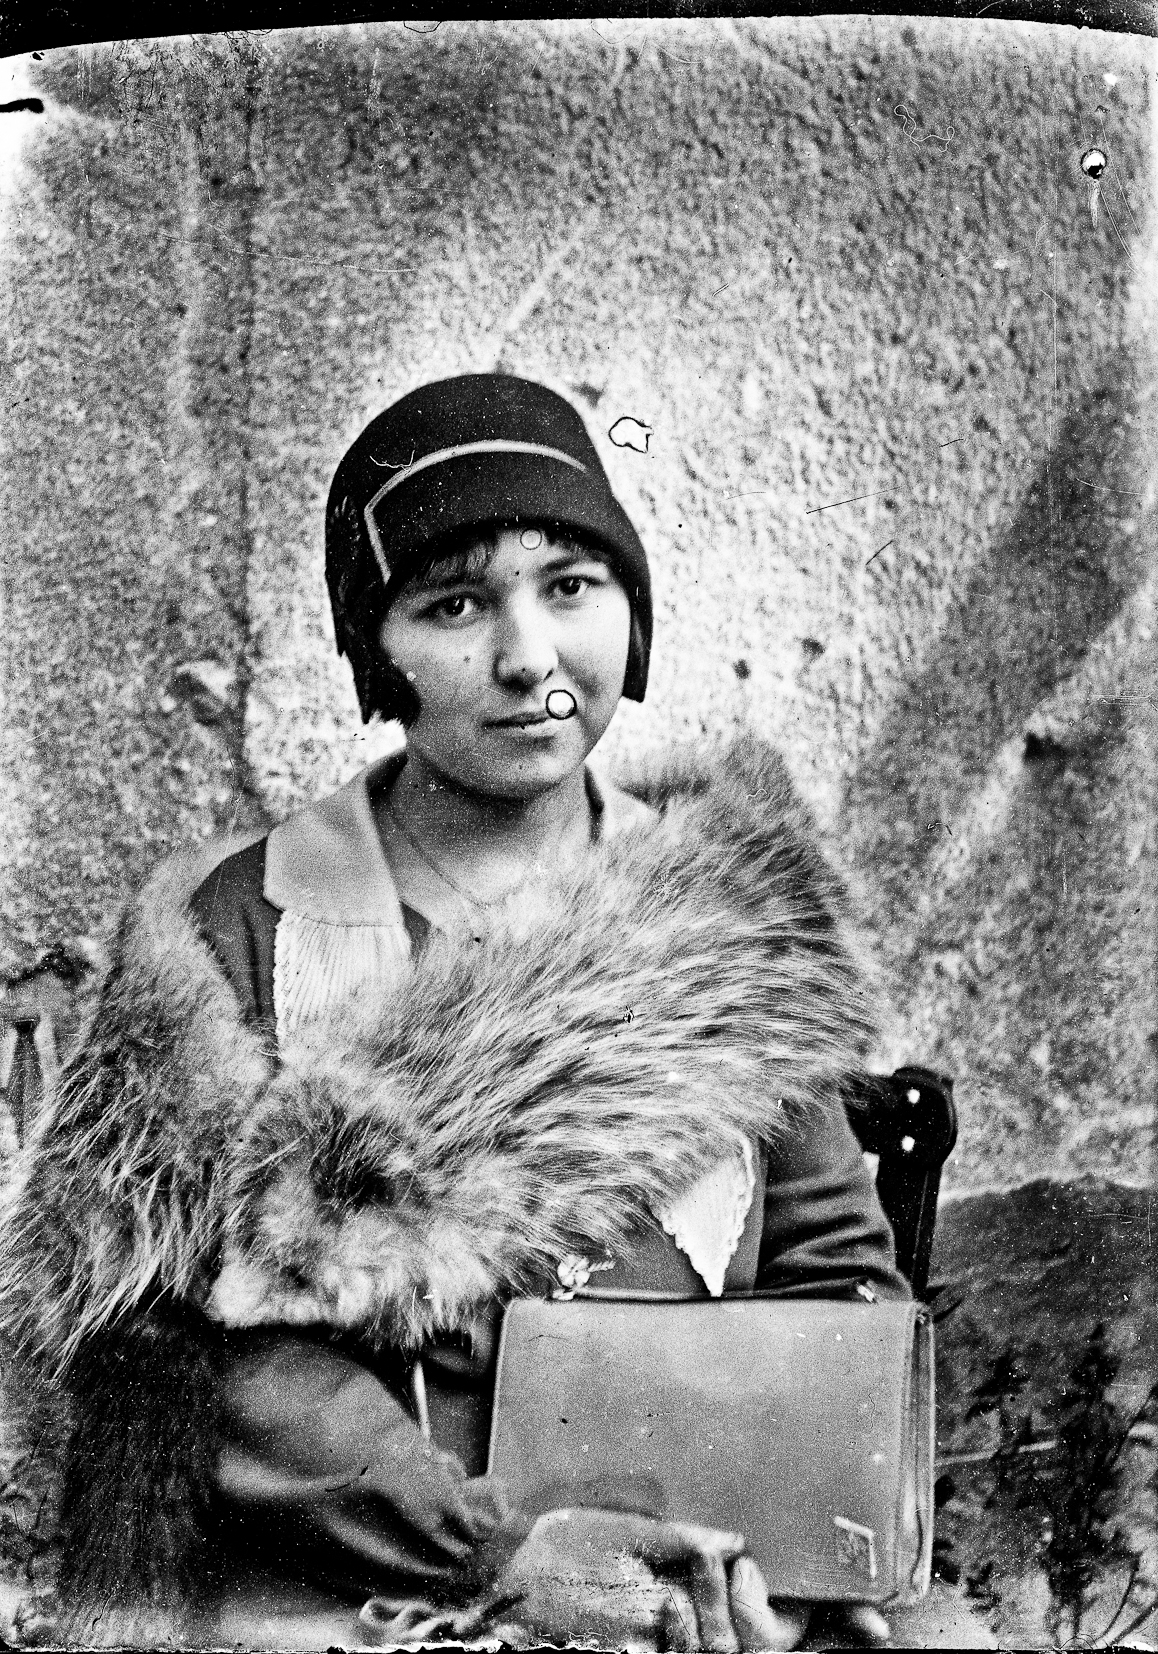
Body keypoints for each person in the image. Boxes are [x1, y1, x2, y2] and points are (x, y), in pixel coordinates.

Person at [2, 375, 992, 1651]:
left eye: (571, 585)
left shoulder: (721, 903)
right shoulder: (245, 925)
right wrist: (501, 1552)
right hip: (360, 1595)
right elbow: (180, 1340)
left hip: (705, 1591)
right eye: (455, 604)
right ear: (380, 650)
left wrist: (810, 1543)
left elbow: (833, 1276)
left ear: (633, 611)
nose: (529, 657)